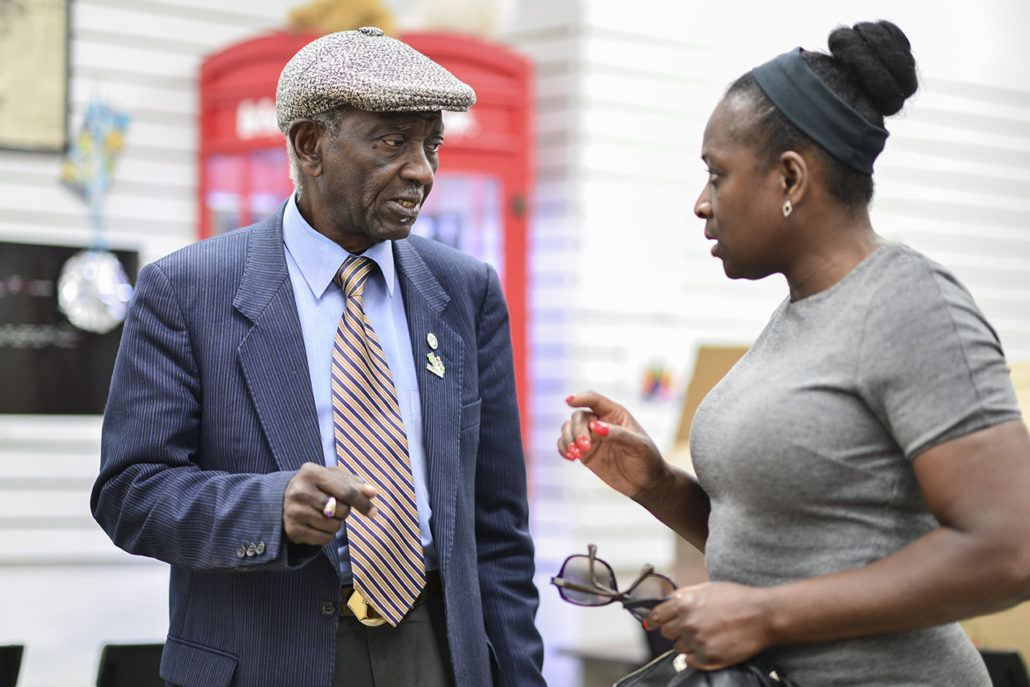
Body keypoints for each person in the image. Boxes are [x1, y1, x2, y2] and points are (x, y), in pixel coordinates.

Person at [558, 20, 1030, 686]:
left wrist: (767, 615)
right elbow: (791, 546)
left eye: (717, 175)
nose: (701, 203)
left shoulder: (913, 304)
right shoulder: (799, 314)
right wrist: (656, 484)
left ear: (790, 178)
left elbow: (1010, 550)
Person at [92, 27, 545, 687]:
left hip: (436, 650)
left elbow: (497, 523)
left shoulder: (466, 290)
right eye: (392, 142)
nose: (420, 169)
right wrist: (269, 507)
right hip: (264, 653)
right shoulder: (186, 290)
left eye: (431, 144)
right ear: (310, 145)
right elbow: (130, 492)